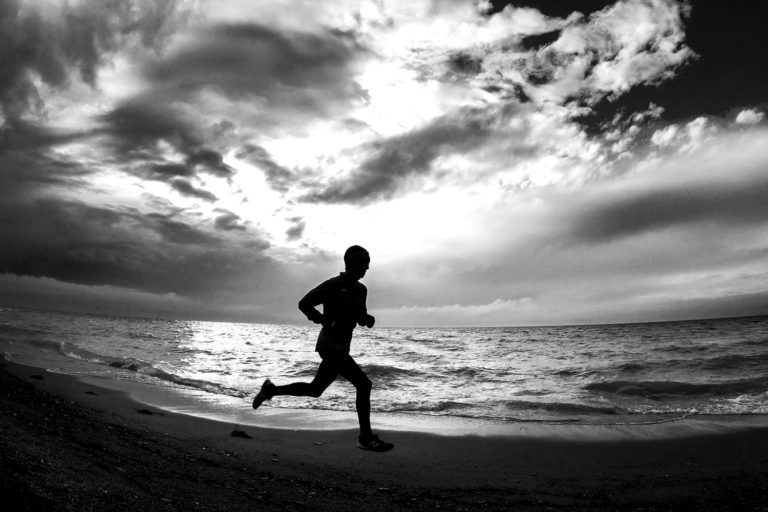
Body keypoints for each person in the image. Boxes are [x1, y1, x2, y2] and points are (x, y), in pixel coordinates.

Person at [252, 245, 394, 452]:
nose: (367, 268)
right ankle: (365, 437)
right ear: (352, 263)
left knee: (315, 389)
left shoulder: (361, 290)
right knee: (364, 385)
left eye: (368, 264)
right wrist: (323, 320)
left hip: (342, 348)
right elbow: (304, 303)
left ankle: (270, 390)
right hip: (329, 346)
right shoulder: (333, 285)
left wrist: (366, 319)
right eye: (364, 263)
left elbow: (358, 315)